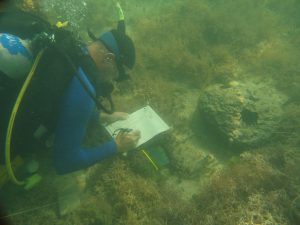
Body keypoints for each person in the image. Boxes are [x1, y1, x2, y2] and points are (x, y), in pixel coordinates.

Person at [0, 1, 140, 181]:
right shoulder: (83, 91)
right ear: (108, 58)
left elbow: (63, 101)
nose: (115, 80)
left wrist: (102, 117)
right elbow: (66, 162)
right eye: (120, 75)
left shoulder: (71, 48)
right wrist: (117, 146)